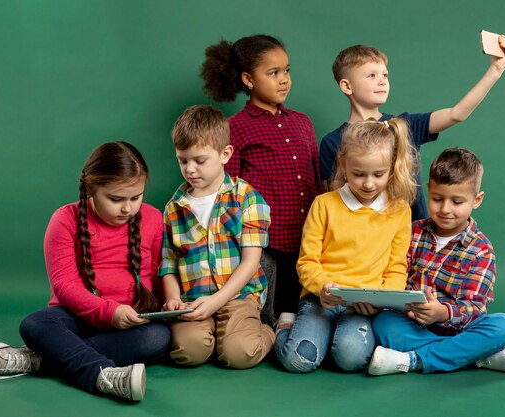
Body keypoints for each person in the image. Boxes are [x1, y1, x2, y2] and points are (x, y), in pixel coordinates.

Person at [0, 142, 171, 401]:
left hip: (130, 321)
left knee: (158, 338)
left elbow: (159, 274)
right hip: (77, 317)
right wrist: (109, 312)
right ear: (91, 188)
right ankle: (103, 376)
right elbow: (64, 286)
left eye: (136, 198)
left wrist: (169, 304)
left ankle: (42, 358)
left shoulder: (153, 218)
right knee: (35, 323)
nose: (128, 208)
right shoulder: (64, 219)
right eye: (115, 199)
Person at [200, 34, 325, 326]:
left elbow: (317, 179)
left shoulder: (302, 123)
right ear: (248, 79)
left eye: (286, 71)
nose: (284, 80)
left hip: (307, 238)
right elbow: (228, 191)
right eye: (273, 73)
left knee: (302, 310)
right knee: (264, 314)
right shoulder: (236, 128)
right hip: (263, 243)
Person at [320, 35, 505, 220]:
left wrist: (495, 70)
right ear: (346, 86)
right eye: (371, 75)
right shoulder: (333, 141)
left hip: (413, 239)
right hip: (367, 244)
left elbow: (457, 113)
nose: (382, 81)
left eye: (385, 75)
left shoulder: (406, 125)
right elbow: (337, 204)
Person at [274, 118, 417, 373]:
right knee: (298, 361)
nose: (368, 184)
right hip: (321, 299)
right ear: (343, 164)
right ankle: (286, 326)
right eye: (358, 174)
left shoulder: (400, 211)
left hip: (362, 307)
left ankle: (328, 339)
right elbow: (307, 261)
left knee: (350, 359)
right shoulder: (324, 204)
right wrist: (322, 287)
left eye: (378, 174)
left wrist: (379, 302)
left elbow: (396, 270)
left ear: (392, 168)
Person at [369, 148, 505, 376]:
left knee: (504, 326)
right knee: (383, 322)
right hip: (413, 327)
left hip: (459, 330)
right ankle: (475, 356)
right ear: (429, 191)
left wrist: (443, 313)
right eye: (437, 199)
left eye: (457, 201)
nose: (445, 209)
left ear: (476, 200)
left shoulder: (481, 249)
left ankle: (412, 360)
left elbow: (476, 307)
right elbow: (393, 274)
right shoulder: (413, 232)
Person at [160, 105, 274, 369]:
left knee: (239, 354)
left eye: (199, 161)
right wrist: (174, 298)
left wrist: (217, 301)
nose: (190, 169)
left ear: (225, 154)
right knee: (187, 352)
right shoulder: (174, 208)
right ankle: (211, 336)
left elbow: (250, 261)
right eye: (183, 160)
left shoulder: (246, 197)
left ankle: (269, 330)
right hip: (193, 301)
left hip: (238, 296)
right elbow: (168, 264)